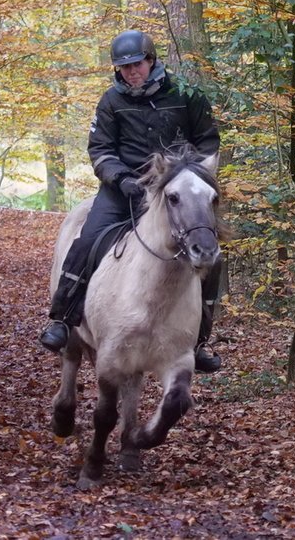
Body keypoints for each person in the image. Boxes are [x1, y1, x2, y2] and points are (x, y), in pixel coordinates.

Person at [38, 29, 223, 373]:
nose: (131, 71)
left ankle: (198, 341)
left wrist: (187, 176)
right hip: (124, 190)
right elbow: (100, 149)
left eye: (136, 64)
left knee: (212, 253)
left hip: (177, 192)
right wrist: (122, 179)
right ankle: (62, 320)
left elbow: (208, 143)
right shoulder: (111, 100)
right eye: (124, 67)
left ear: (151, 61)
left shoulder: (187, 95)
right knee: (88, 240)